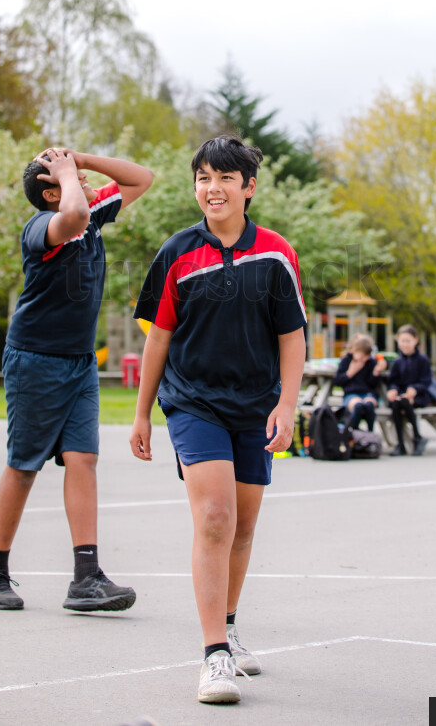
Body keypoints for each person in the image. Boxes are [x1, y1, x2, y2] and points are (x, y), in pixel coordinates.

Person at [129, 135, 307, 705]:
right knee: (214, 518)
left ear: (248, 188)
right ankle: (213, 656)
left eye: (225, 178)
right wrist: (142, 413)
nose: (213, 188)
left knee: (244, 527)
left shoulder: (276, 253)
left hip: (256, 405)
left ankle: (228, 626)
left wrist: (287, 404)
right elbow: (158, 338)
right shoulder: (176, 252)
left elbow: (293, 338)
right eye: (204, 177)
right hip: (193, 401)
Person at [0, 147, 153, 612]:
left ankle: (86, 578)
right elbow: (73, 216)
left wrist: (83, 159)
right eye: (71, 178)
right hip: (35, 359)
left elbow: (141, 178)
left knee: (83, 459)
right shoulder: (44, 227)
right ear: (52, 193)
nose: (84, 183)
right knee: (24, 465)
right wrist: (70, 176)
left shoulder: (90, 215)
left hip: (79, 362)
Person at [386, 324, 431, 456]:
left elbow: (426, 382)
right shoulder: (397, 361)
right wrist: (393, 390)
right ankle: (400, 444)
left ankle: (417, 437)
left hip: (419, 396)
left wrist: (414, 389)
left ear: (415, 340)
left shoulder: (423, 360)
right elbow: (393, 381)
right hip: (401, 396)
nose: (405, 344)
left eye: (408, 341)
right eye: (402, 341)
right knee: (397, 402)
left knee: (404, 401)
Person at [333, 334, 387, 431]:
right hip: (351, 394)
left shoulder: (371, 362)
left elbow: (373, 384)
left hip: (368, 393)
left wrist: (376, 372)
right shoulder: (346, 361)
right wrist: (350, 373)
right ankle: (355, 432)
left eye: (367, 356)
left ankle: (370, 432)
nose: (364, 359)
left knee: (369, 405)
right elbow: (337, 381)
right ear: (354, 350)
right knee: (358, 406)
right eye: (362, 356)